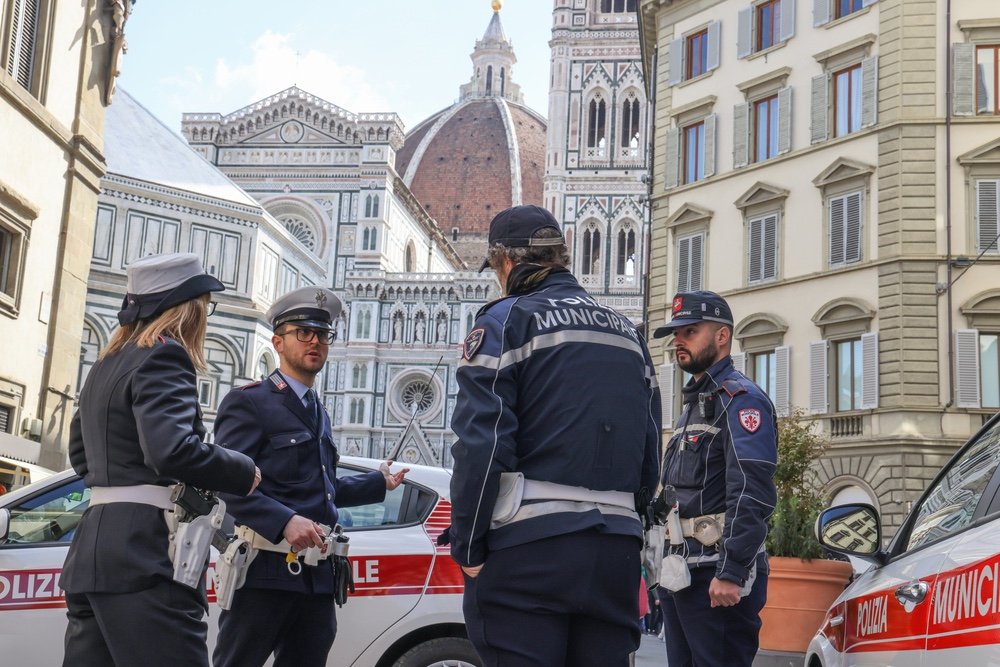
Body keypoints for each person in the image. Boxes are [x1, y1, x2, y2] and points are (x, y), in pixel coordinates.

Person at [449, 205, 661, 667]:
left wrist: (467, 547)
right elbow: (650, 450)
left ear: (506, 263)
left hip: (530, 550)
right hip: (616, 551)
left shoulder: (505, 321)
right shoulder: (629, 333)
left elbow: (482, 445)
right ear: (560, 257)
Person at [60, 252, 261, 667]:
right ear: (187, 308)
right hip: (145, 555)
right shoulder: (165, 354)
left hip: (92, 554)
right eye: (205, 305)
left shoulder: (104, 364)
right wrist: (242, 469)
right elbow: (171, 450)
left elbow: (80, 455)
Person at [212, 285, 408, 667]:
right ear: (278, 342)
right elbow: (227, 483)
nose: (315, 341)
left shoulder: (319, 411)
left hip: (317, 579)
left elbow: (321, 489)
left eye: (322, 334)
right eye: (303, 332)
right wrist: (285, 521)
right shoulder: (250, 402)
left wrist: (378, 482)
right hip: (264, 572)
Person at [652, 290, 778, 667]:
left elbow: (751, 491)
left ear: (722, 336)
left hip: (716, 575)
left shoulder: (741, 400)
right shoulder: (693, 407)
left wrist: (732, 571)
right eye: (676, 334)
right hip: (683, 572)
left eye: (690, 331)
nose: (678, 341)